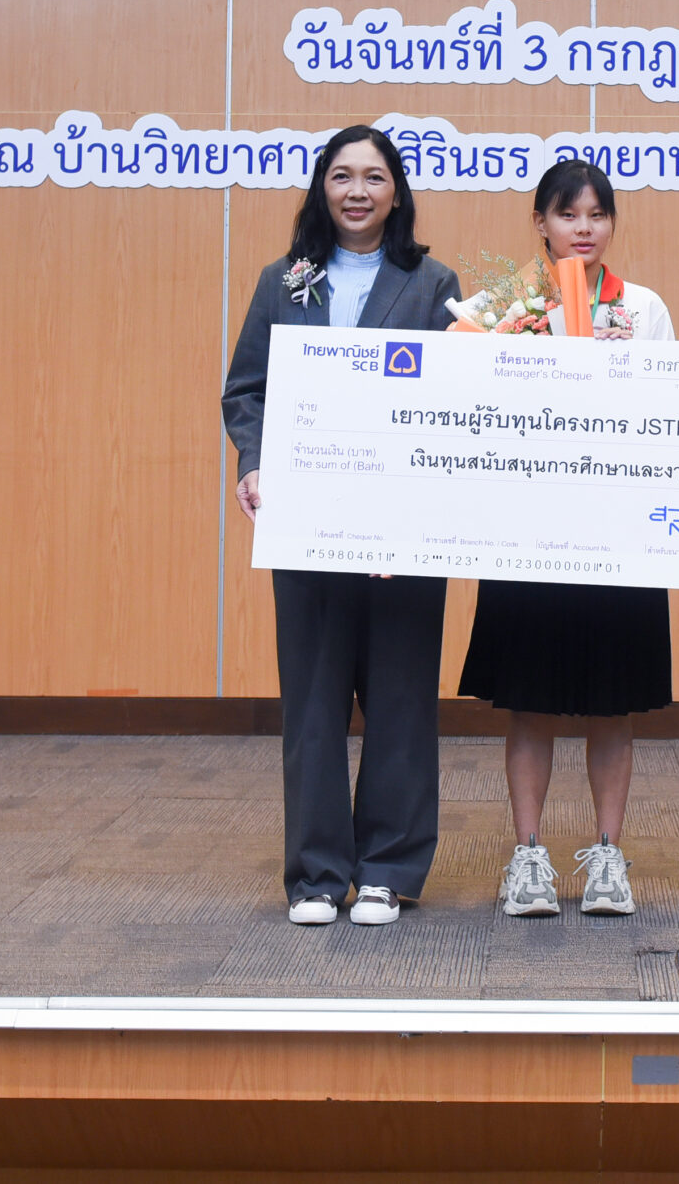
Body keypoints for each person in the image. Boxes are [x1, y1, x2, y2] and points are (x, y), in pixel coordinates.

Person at [223, 124, 462, 927]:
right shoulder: (283, 281)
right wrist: (254, 460)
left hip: (405, 524)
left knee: (401, 697)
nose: (358, 190)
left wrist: (423, 508)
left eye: (374, 176)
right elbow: (247, 389)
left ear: (397, 192)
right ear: (322, 187)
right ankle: (318, 874)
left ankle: (389, 867)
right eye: (342, 175)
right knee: (314, 702)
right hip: (308, 522)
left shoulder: (433, 282)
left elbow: (456, 397)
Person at [455, 160, 676, 920]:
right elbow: (468, 414)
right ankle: (528, 855)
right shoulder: (496, 306)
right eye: (567, 214)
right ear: (540, 222)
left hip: (618, 534)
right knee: (530, 702)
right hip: (527, 531)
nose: (584, 228)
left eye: (597, 215)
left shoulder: (642, 308)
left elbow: (672, 419)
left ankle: (609, 854)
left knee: (614, 705)